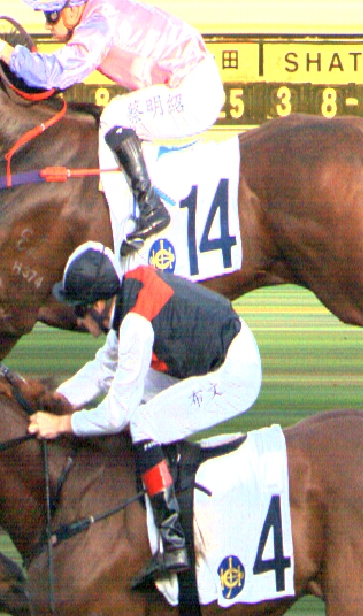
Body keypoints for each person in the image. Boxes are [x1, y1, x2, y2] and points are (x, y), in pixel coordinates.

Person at [31, 242, 262, 586]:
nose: (77, 319)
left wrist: (63, 424)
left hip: (233, 372)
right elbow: (104, 369)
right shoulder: (125, 301)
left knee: (143, 423)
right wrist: (56, 401)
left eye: (79, 309)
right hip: (205, 356)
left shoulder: (134, 324)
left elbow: (116, 415)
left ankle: (174, 541)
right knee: (137, 406)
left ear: (98, 305)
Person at [0, 0, 223, 255]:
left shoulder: (99, 22)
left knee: (115, 116)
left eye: (51, 15)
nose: (47, 25)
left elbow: (57, 73)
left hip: (193, 91)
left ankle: (151, 209)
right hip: (190, 82)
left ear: (73, 8)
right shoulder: (99, 10)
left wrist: (4, 51)